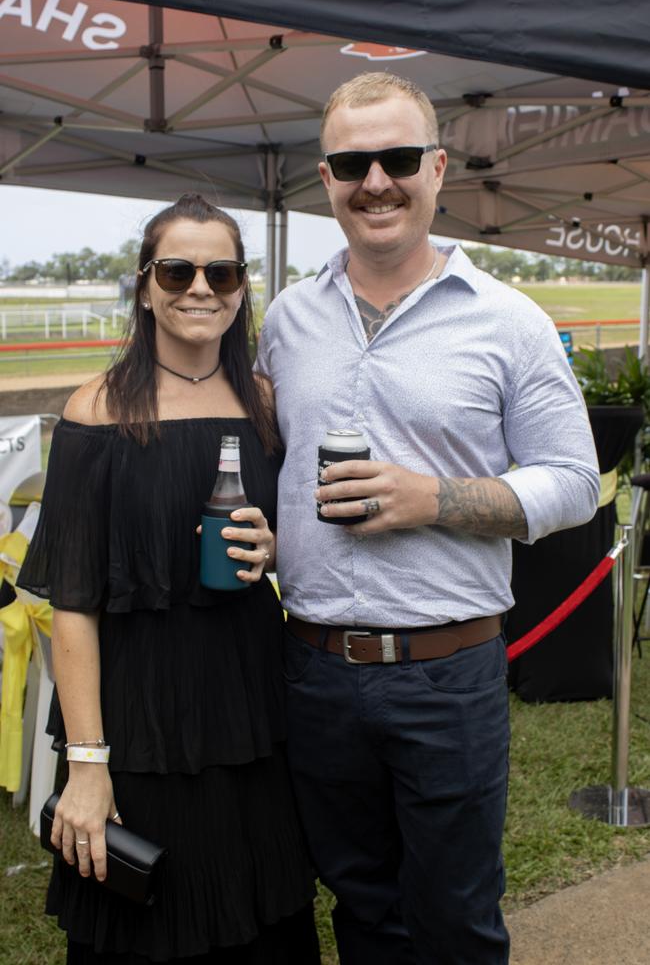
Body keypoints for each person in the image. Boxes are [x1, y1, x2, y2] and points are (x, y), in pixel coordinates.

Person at [255, 73, 600, 965]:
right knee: (361, 908)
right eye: (352, 163)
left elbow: (572, 483)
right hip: (317, 667)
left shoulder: (509, 321)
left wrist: (431, 498)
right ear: (324, 178)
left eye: (399, 158)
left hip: (446, 675)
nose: (377, 181)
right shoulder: (287, 320)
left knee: (454, 923)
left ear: (438, 167)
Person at [17, 194, 320, 964]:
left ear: (243, 286)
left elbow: (308, 538)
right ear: (146, 283)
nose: (200, 289)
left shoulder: (266, 407)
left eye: (221, 272)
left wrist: (277, 547)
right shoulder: (96, 412)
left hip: (249, 713)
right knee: (143, 931)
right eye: (178, 270)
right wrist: (88, 766)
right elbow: (74, 604)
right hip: (137, 724)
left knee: (263, 928)